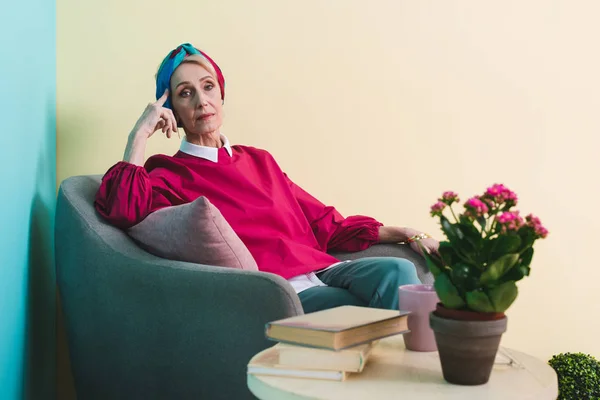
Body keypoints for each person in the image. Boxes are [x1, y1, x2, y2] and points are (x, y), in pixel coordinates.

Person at [95, 43, 439, 313]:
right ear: (172, 111)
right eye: (186, 93)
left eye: (208, 86)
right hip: (276, 293)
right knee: (358, 311)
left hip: (320, 271)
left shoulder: (259, 160)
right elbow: (124, 209)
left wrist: (407, 233)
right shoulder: (167, 173)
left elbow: (326, 224)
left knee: (399, 273)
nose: (202, 101)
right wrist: (139, 134)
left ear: (221, 94)